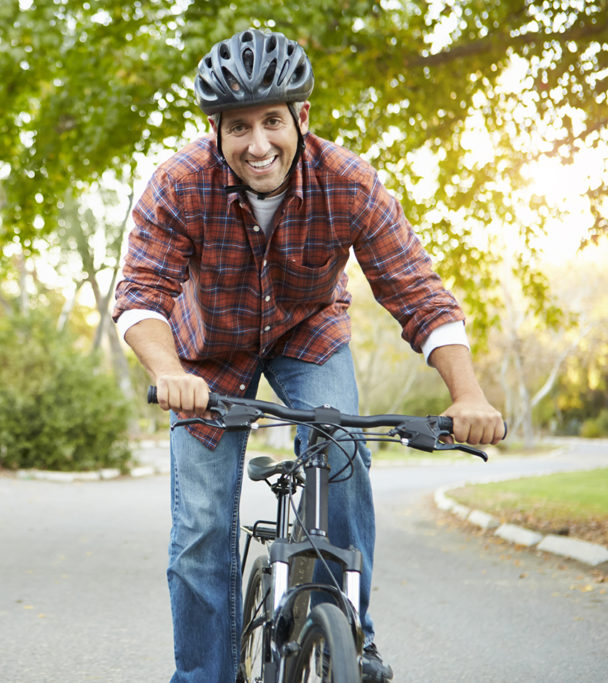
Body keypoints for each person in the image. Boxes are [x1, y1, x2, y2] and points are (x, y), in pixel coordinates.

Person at [113, 28, 504, 683]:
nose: (257, 143)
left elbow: (416, 290)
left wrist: (468, 393)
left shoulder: (348, 182)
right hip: (205, 355)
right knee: (204, 522)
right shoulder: (178, 183)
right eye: (238, 127)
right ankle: (202, 674)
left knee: (342, 455)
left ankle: (351, 632)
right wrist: (168, 372)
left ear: (303, 117)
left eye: (272, 121)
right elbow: (140, 294)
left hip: (308, 334)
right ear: (216, 130)